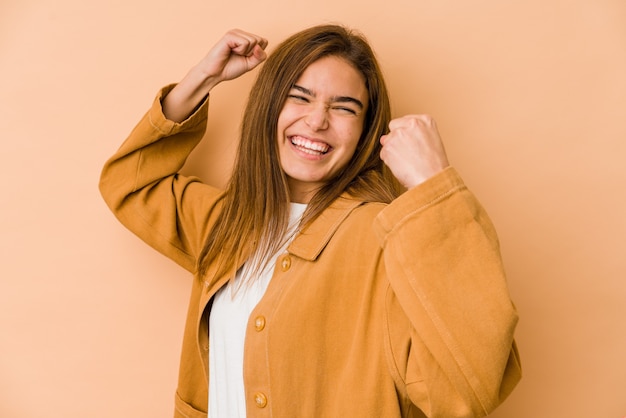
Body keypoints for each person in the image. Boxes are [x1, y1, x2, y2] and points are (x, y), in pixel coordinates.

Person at [99, 24, 521, 418]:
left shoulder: (385, 239)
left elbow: (470, 386)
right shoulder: (229, 222)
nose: (317, 121)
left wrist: (435, 187)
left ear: (365, 132)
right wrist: (202, 78)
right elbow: (131, 183)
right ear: (269, 107)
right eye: (299, 97)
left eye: (345, 107)